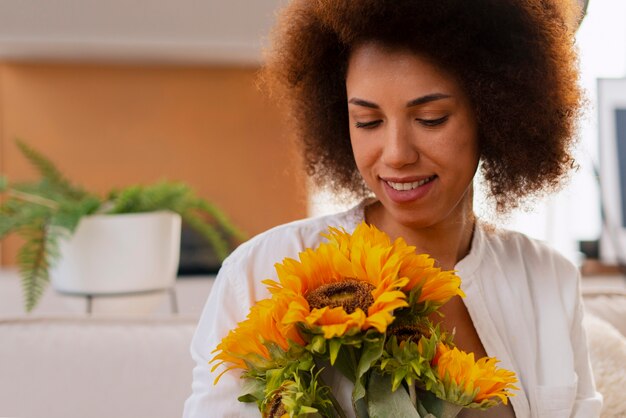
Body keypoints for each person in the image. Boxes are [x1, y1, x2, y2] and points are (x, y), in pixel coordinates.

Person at [183, 0, 602, 417]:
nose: (397, 154)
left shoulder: (549, 280)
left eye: (432, 118)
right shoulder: (262, 272)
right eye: (367, 122)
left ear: (494, 114)